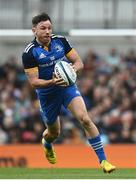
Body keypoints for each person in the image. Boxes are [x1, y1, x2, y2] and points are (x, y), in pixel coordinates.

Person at [22, 12, 116, 173]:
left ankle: (104, 161)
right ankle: (46, 143)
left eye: (49, 28)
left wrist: (72, 69)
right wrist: (52, 81)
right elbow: (33, 82)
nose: (47, 31)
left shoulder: (61, 41)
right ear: (34, 30)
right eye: (43, 28)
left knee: (85, 119)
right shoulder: (29, 53)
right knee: (54, 132)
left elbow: (79, 62)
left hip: (67, 87)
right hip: (47, 94)